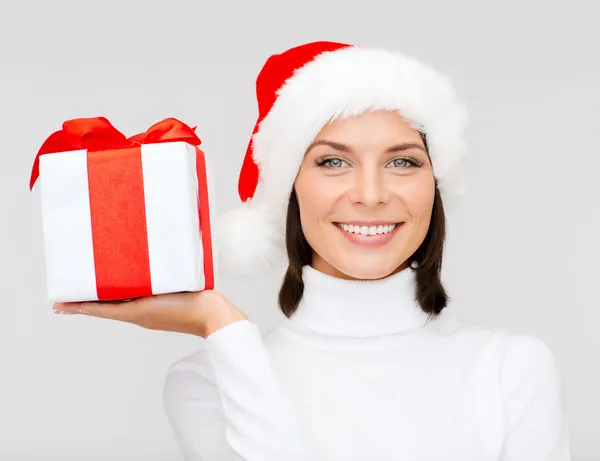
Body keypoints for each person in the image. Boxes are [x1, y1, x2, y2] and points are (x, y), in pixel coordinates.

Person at [53, 41, 571, 460]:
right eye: (332, 163)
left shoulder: (511, 369)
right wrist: (221, 325)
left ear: (435, 187)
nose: (370, 195)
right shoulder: (210, 379)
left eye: (404, 163)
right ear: (289, 189)